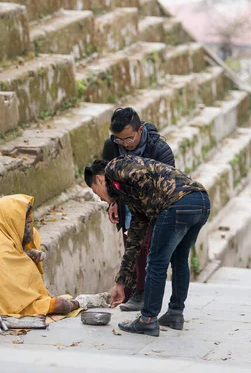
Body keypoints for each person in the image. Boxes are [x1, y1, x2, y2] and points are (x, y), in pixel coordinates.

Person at [84, 156, 210, 336]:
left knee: (156, 262)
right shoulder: (133, 199)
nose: (103, 200)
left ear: (99, 179)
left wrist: (153, 209)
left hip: (177, 203)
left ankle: (148, 319)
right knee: (179, 259)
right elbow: (133, 244)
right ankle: (175, 314)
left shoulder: (116, 168)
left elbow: (141, 176)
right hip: (200, 201)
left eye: (97, 193)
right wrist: (120, 284)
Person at [102, 107, 174, 312]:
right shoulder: (112, 146)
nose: (125, 144)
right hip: (128, 203)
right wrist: (112, 201)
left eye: (129, 139)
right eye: (120, 140)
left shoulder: (159, 149)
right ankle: (133, 291)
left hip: (155, 204)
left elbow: (168, 184)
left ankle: (146, 294)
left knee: (148, 246)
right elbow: (108, 176)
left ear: (140, 130)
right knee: (131, 244)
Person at [0, 194, 80, 316]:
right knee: (62, 305)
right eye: (25, 216)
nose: (29, 220)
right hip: (2, 308)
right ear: (11, 219)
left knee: (60, 303)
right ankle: (80, 302)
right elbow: (8, 294)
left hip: (13, 301)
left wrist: (27, 253)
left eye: (29, 215)